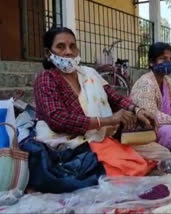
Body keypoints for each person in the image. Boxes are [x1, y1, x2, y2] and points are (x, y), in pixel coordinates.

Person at [34, 27, 157, 177]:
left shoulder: (88, 73)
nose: (68, 52)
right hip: (69, 146)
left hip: (99, 139)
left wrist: (137, 110)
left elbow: (114, 97)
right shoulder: (46, 78)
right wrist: (110, 120)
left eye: (72, 46)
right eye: (61, 47)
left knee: (156, 155)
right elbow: (57, 118)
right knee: (128, 170)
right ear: (48, 53)